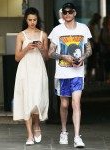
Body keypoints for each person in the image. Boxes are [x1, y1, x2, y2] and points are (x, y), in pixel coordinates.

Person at [48, 2, 92, 148]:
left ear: (74, 13)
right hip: (62, 73)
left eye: (70, 11)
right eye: (65, 12)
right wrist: (64, 57)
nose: (67, 14)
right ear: (63, 14)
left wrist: (82, 58)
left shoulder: (83, 29)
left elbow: (89, 50)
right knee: (65, 104)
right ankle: (64, 131)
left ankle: (77, 136)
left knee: (76, 103)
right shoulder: (56, 30)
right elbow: (50, 53)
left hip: (77, 73)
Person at [13, 7, 49, 145]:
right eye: (30, 20)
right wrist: (27, 48)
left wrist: (42, 48)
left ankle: (37, 126)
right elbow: (17, 57)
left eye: (34, 20)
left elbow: (46, 57)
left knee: (37, 99)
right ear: (26, 20)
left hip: (39, 69)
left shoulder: (43, 35)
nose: (32, 22)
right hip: (25, 69)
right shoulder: (21, 35)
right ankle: (29, 135)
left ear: (37, 20)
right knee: (27, 99)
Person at [87, 13, 101, 81]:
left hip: (93, 45)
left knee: (92, 61)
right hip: (92, 46)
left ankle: (89, 77)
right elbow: (91, 37)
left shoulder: (93, 25)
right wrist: (96, 42)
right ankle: (89, 77)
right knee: (91, 62)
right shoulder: (91, 26)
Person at [99, 15, 110, 83]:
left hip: (108, 48)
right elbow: (101, 39)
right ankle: (106, 77)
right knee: (106, 63)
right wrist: (106, 45)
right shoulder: (102, 30)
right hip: (105, 49)